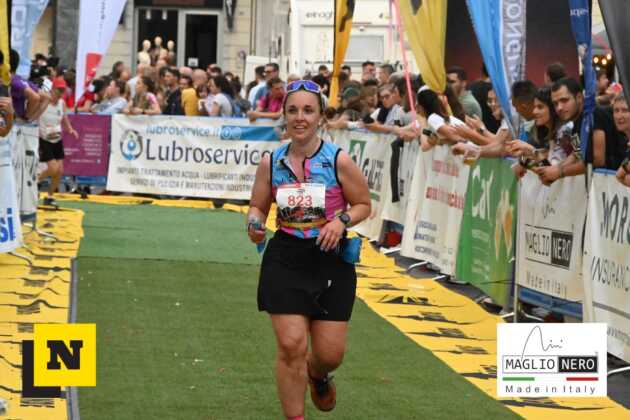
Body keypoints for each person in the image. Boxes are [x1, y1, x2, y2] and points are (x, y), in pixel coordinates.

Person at [247, 79, 370, 419]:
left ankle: (318, 374)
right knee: (291, 346)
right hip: (286, 258)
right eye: (293, 111)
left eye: (307, 111)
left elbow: (363, 204)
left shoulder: (339, 160)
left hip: (330, 259)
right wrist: (254, 224)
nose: (299, 118)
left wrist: (340, 221)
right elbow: (258, 206)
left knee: (330, 355)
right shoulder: (271, 162)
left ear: (320, 117)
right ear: (284, 116)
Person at [37, 77, 78, 206]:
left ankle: (49, 197)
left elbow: (64, 118)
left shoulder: (62, 103)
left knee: (59, 171)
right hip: (44, 139)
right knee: (53, 168)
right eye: (59, 90)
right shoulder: (44, 100)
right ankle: (34, 182)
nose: (61, 93)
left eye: (63, 90)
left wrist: (70, 129)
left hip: (57, 139)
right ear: (52, 89)